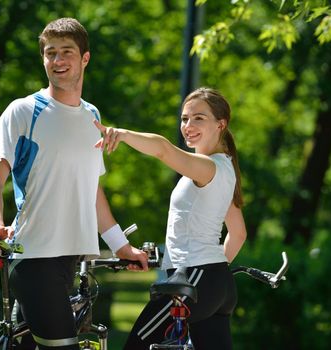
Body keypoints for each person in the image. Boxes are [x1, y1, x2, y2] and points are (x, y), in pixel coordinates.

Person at [0, 17, 149, 350]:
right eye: (50, 53)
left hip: (69, 262)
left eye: (66, 52)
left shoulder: (92, 116)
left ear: (85, 58)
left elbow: (92, 192)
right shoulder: (24, 111)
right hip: (34, 258)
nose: (57, 61)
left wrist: (120, 246)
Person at [94, 87, 247, 350]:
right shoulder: (225, 168)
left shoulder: (207, 167)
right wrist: (211, 275)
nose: (188, 125)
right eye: (185, 118)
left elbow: (163, 150)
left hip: (193, 281)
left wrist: (122, 134)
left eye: (199, 118)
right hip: (216, 283)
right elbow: (239, 233)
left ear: (220, 124)